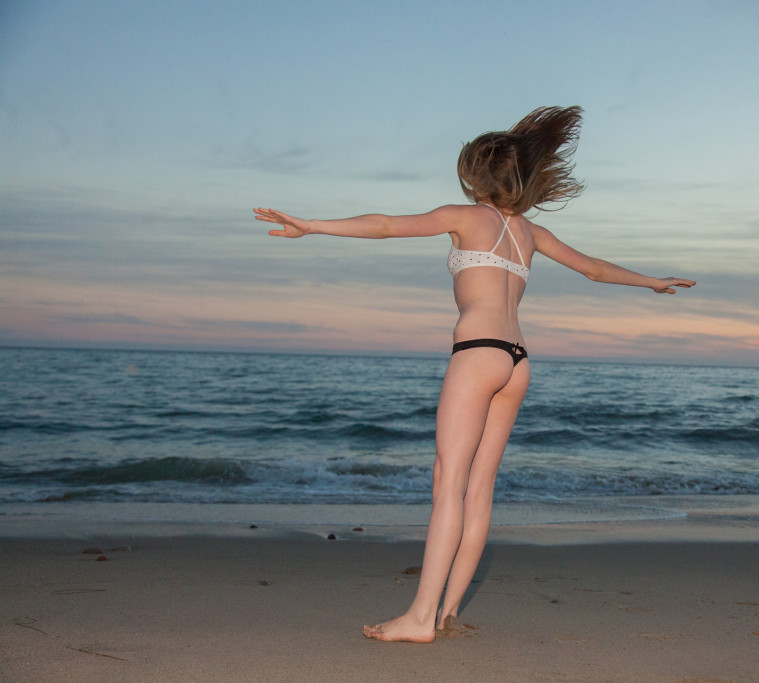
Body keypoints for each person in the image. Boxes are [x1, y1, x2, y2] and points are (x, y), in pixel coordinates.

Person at [254, 106, 695, 643]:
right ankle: (447, 612)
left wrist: (312, 225)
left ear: (475, 176)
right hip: (517, 360)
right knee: (479, 489)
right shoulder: (530, 232)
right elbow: (595, 270)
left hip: (478, 353)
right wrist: (652, 282)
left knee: (449, 483)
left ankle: (421, 618)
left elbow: (386, 226)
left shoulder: (465, 218)